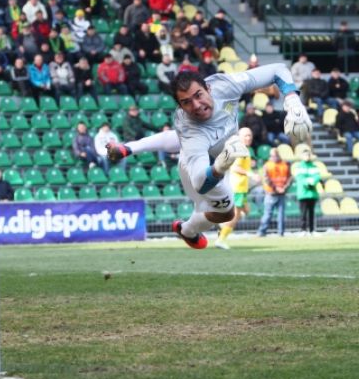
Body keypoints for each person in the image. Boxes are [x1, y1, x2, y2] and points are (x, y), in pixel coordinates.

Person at [107, 65, 311, 249]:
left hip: (220, 156)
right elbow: (200, 182)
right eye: (186, 102)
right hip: (199, 167)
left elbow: (278, 70)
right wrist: (221, 166)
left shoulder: (225, 85)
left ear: (209, 88)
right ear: (180, 106)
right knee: (227, 213)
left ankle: (185, 228)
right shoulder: (189, 128)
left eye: (199, 95)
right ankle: (188, 229)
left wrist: (292, 100)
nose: (196, 105)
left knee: (220, 208)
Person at [215, 127, 257, 250]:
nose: (248, 138)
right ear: (239, 137)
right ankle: (221, 239)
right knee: (235, 216)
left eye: (250, 135)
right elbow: (235, 168)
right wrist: (251, 174)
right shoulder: (241, 150)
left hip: (242, 188)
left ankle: (222, 224)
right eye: (246, 135)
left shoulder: (245, 150)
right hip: (237, 187)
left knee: (246, 210)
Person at [257, 148, 291, 237]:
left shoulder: (285, 164)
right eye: (272, 156)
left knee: (280, 215)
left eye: (275, 155)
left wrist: (284, 188)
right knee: (268, 214)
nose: (274, 157)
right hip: (271, 193)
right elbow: (266, 179)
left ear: (278, 155)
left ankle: (280, 233)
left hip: (280, 192)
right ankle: (262, 232)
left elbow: (290, 178)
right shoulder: (267, 165)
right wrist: (277, 188)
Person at [294, 145, 320, 235]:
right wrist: (308, 182)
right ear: (302, 156)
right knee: (303, 213)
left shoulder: (314, 166)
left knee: (311, 213)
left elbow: (317, 176)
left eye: (308, 155)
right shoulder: (299, 166)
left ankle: (312, 230)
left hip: (312, 193)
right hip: (303, 193)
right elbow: (299, 178)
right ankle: (303, 230)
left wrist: (311, 182)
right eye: (305, 155)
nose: (307, 157)